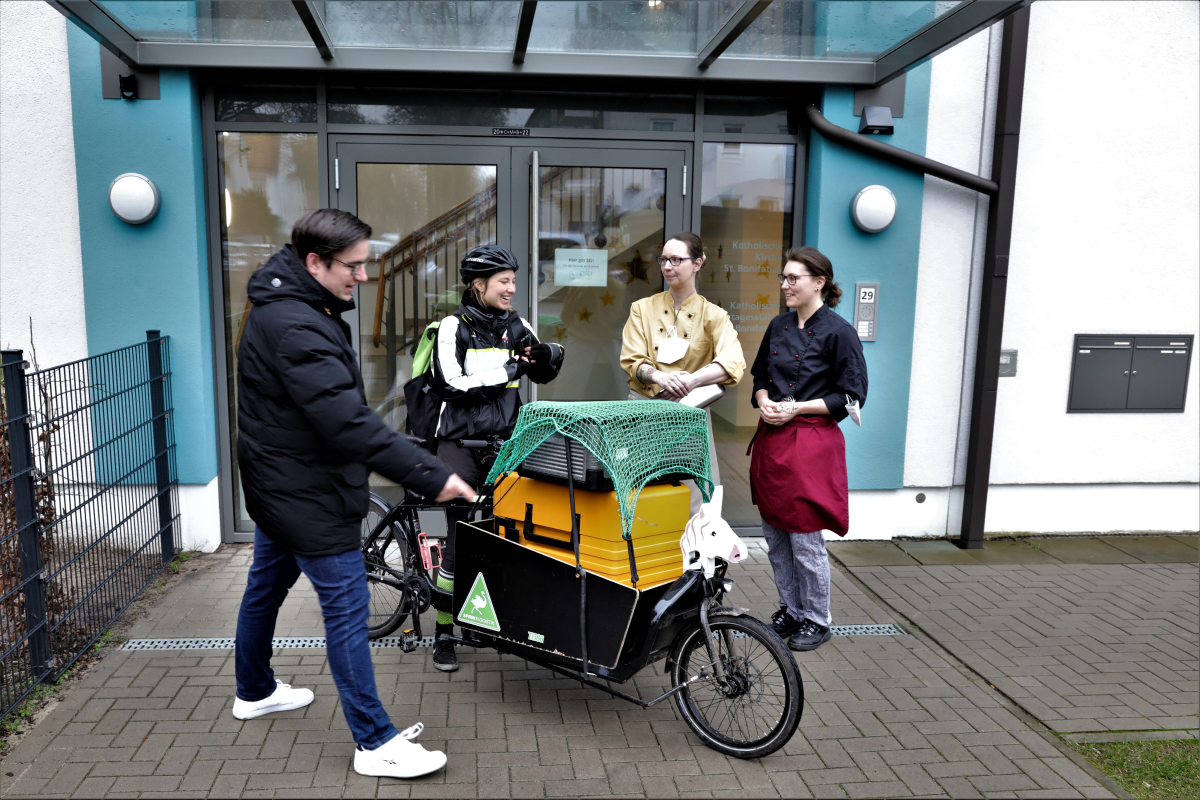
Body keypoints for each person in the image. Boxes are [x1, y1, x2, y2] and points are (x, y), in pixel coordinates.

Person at [234, 209, 477, 780]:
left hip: (280, 484)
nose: (364, 277)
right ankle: (375, 743)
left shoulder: (290, 307)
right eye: (354, 266)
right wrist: (432, 474)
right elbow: (345, 423)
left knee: (264, 587)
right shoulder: (296, 326)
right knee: (346, 612)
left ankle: (254, 690)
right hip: (308, 495)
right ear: (314, 262)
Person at [426, 244, 565, 672]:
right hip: (459, 446)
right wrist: (509, 370)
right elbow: (451, 384)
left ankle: (480, 618)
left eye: (513, 281)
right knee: (456, 542)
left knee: (500, 537)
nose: (511, 288)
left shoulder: (516, 325)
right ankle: (443, 632)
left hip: (504, 445)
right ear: (478, 285)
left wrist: (550, 355)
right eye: (503, 281)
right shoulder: (452, 327)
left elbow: (539, 368)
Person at [748, 246, 867, 652]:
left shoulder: (839, 332)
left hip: (811, 446)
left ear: (819, 282)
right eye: (783, 277)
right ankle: (791, 609)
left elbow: (851, 396)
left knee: (805, 541)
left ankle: (817, 618)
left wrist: (796, 408)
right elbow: (760, 377)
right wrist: (764, 400)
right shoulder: (778, 325)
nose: (785, 285)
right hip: (773, 443)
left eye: (793, 278)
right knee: (775, 535)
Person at [619, 232, 745, 509]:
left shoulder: (714, 315)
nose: (667, 266)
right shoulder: (641, 308)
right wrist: (660, 377)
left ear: (698, 263)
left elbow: (733, 363)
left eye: (676, 260)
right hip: (645, 411)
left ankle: (695, 538)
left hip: (690, 413)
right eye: (664, 259)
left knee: (695, 495)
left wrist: (692, 380)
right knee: (639, 491)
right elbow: (631, 359)